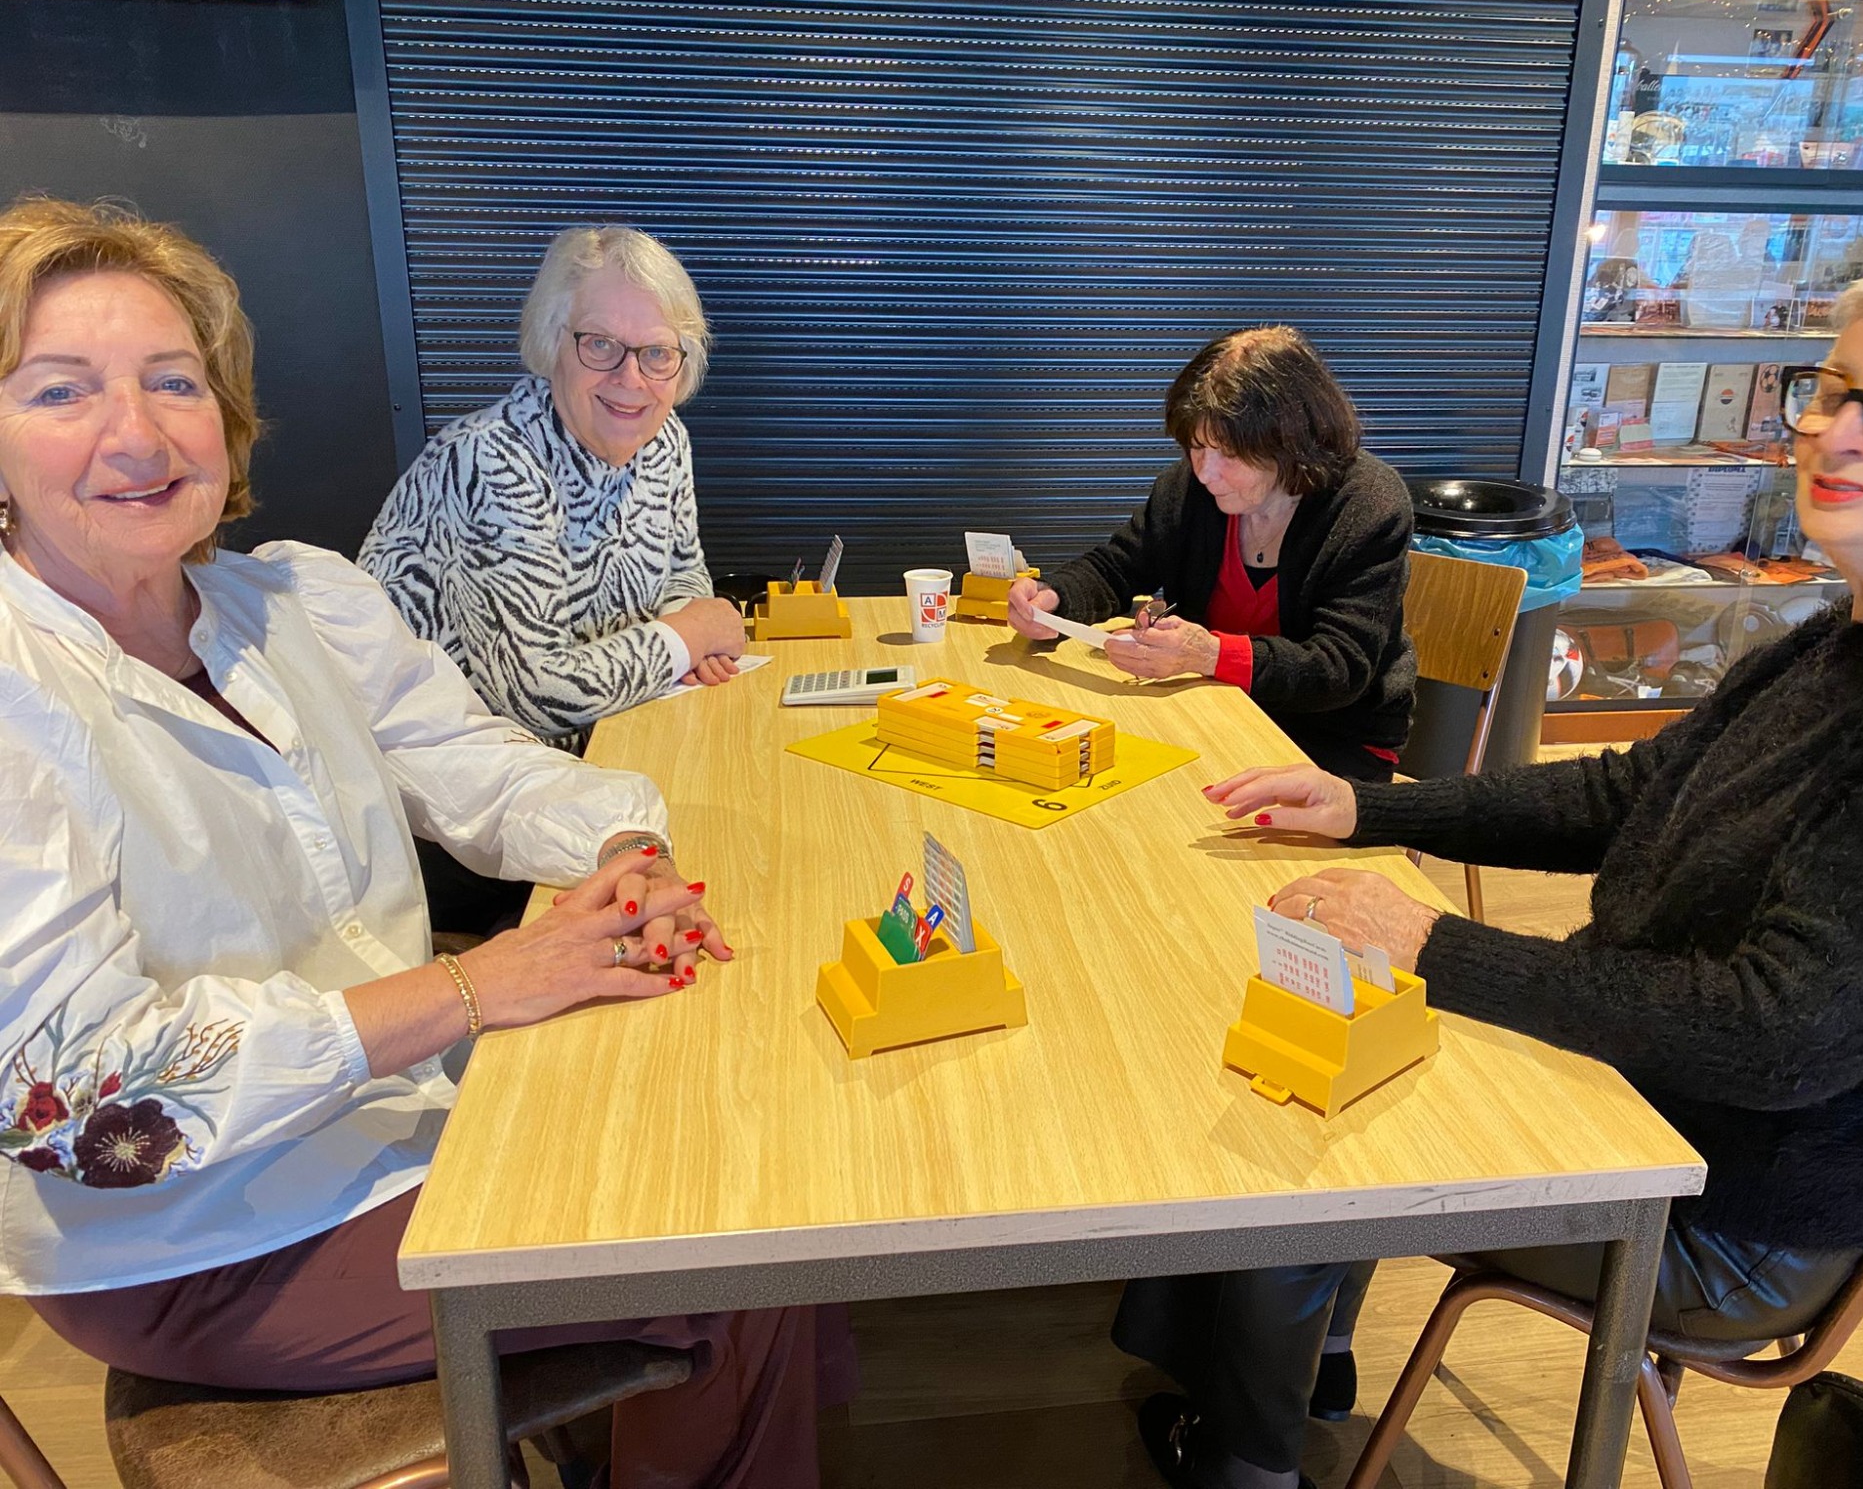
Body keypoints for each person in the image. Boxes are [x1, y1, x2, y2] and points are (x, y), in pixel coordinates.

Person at [1131, 232, 1863, 1489]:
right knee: (1317, 1027)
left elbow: (1774, 1035)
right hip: (1651, 1090)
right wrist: (1370, 811)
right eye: (1829, 390)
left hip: (1717, 1208)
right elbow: (1624, 790)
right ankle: (1299, 1374)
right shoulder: (1852, 637)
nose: (1837, 432)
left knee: (1292, 1143)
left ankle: (1245, 1462)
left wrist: (1432, 942)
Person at [0, 197, 842, 1488]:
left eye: (175, 380)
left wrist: (625, 843)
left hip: (394, 1106)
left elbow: (474, 757)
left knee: (744, 1133)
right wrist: (473, 987)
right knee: (738, 1244)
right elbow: (83, 1105)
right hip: (196, 1230)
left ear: (226, 414)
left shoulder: (292, 598)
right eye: (62, 391)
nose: (138, 433)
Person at [361, 224, 748, 934]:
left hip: (603, 766)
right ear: (552, 341)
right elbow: (537, 697)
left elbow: (683, 571)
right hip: (470, 828)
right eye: (600, 345)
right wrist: (682, 640)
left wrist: (687, 628)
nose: (631, 379)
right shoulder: (491, 463)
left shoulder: (664, 440)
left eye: (657, 353)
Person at [1007, 325, 1417, 784]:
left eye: (1230, 453)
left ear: (1292, 442)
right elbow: (1117, 566)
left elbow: (1339, 667)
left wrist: (1207, 654)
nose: (1206, 473)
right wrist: (1055, 598)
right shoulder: (1187, 490)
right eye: (1198, 447)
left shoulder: (1368, 504)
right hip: (1210, 708)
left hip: (1330, 738)